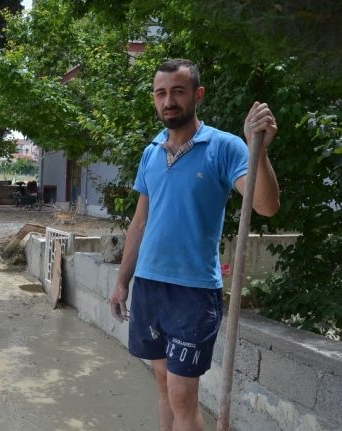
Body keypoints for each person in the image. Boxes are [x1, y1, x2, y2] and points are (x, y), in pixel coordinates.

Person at [108, 59, 280, 431]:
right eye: (161, 93)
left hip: (193, 291)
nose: (168, 100)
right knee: (163, 385)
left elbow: (265, 205)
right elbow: (140, 222)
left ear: (197, 95)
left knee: (183, 395)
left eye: (178, 91)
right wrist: (123, 280)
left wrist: (258, 151)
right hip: (150, 286)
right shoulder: (151, 151)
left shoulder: (224, 147)